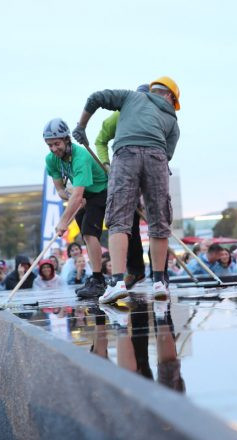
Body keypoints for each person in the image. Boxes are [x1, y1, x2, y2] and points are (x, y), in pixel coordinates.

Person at [72, 76, 180, 303]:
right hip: (156, 157)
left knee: (119, 219)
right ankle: (160, 282)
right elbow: (165, 158)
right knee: (159, 220)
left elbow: (96, 98)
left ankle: (118, 282)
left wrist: (81, 125)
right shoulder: (172, 121)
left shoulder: (132, 97)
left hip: (126, 154)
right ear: (170, 96)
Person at [43, 118, 107, 299]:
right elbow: (61, 191)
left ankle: (98, 280)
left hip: (101, 190)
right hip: (82, 194)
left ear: (66, 139)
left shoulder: (81, 157)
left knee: (89, 232)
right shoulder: (51, 159)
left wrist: (63, 221)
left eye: (57, 144)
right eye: (50, 145)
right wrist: (72, 198)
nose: (54, 149)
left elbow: (78, 194)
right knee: (86, 236)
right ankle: (96, 277)